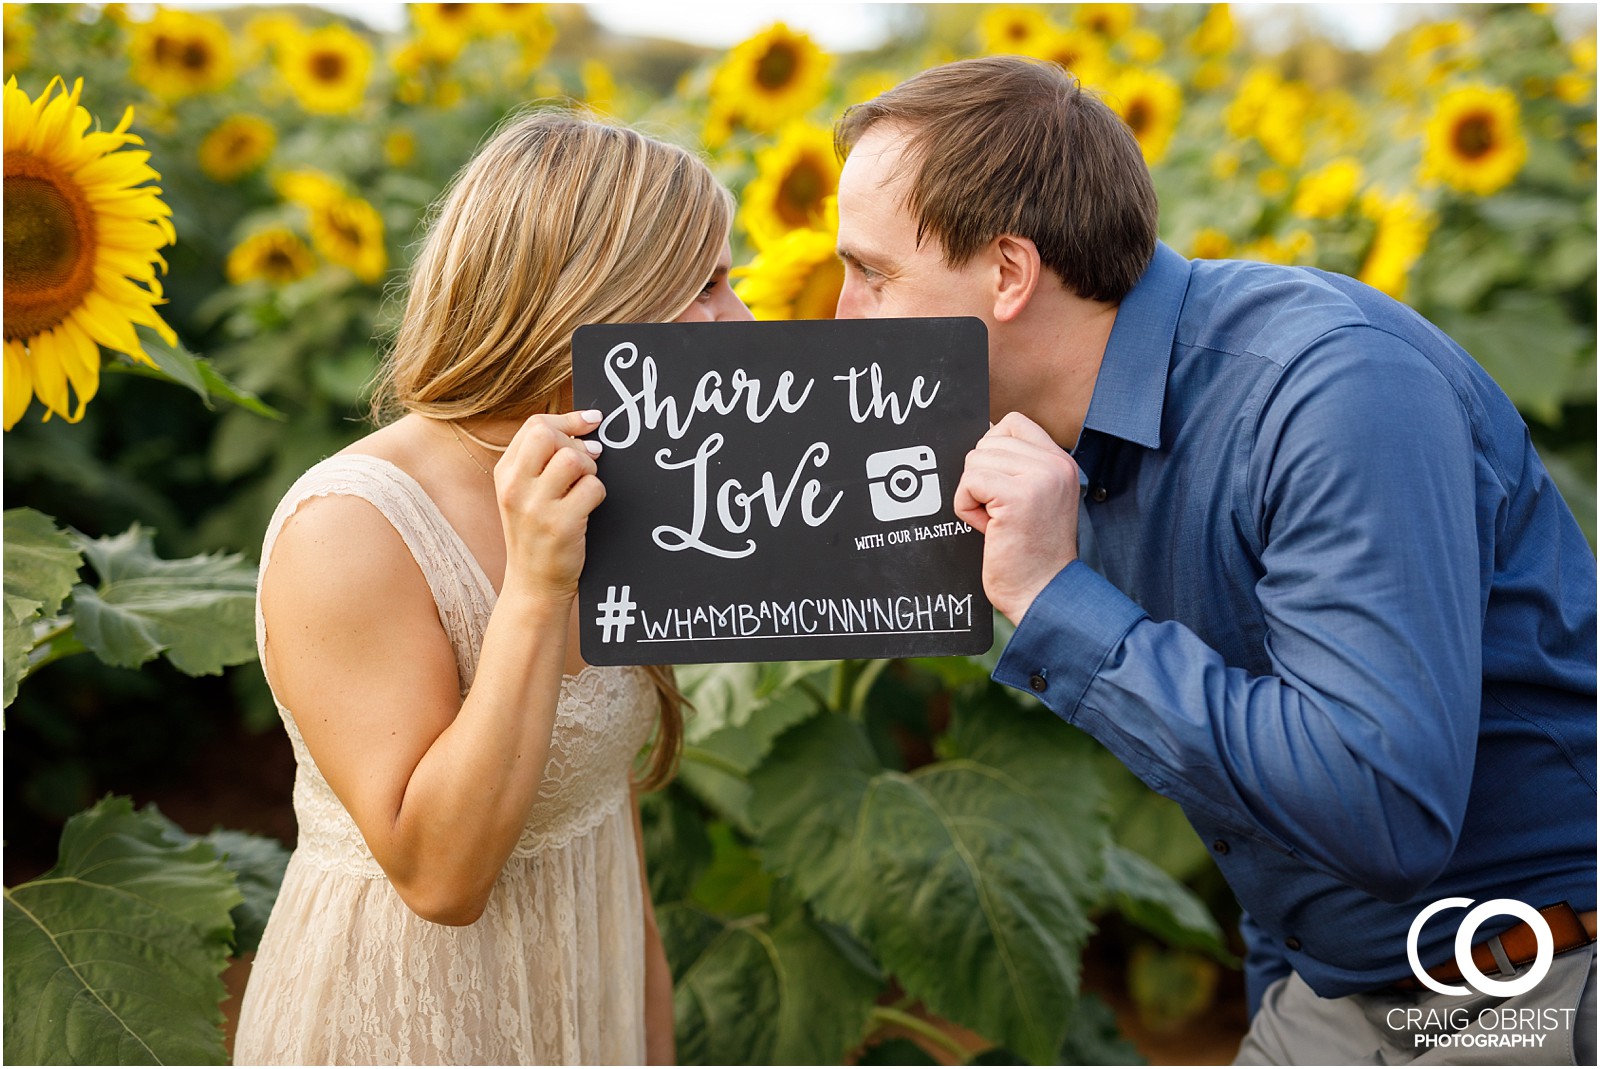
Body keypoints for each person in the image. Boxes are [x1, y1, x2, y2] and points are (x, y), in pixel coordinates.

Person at [832, 56, 1596, 1065]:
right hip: (1329, 982)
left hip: (1533, 983)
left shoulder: (1332, 391)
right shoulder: (1049, 434)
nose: (842, 314)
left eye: (871, 274)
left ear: (1008, 273)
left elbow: (1381, 802)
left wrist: (1053, 594)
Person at [231, 111, 751, 1065]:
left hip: (585, 992)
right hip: (402, 1019)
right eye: (707, 284)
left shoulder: (630, 472)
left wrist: (647, 1032)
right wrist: (536, 590)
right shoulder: (349, 527)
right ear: (596, 292)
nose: (743, 319)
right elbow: (439, 876)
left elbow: (605, 804)